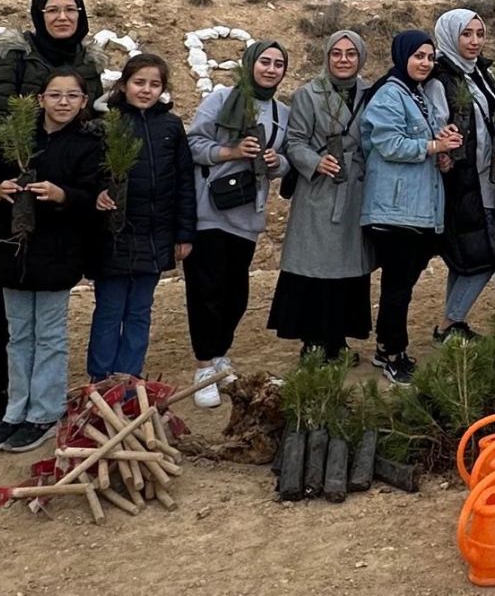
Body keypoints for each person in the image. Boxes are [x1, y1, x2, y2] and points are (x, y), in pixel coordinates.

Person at [0, 0, 105, 432]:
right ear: (38, 15)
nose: (62, 17)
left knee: (45, 316)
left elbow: (97, 123)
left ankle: (39, 405)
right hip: (12, 183)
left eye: (71, 9)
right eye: (53, 10)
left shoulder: (87, 64)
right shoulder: (15, 57)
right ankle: (0, 395)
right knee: (4, 304)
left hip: (64, 193)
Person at [185, 39, 292, 408]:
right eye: (265, 61)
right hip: (211, 211)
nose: (271, 69)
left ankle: (220, 355)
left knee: (235, 294)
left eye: (279, 64)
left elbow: (286, 163)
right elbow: (193, 144)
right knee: (206, 290)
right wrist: (230, 152)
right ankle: (204, 366)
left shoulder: (282, 112)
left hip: (249, 213)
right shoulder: (220, 99)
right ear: (250, 63)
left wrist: (276, 161)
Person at [360, 31, 461, 385]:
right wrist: (435, 145)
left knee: (403, 282)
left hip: (416, 207)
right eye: (418, 55)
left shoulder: (414, 94)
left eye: (430, 57)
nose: (425, 63)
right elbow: (388, 143)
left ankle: (389, 348)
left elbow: (424, 144)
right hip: (393, 207)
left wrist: (442, 152)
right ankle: (391, 351)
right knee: (397, 285)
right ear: (401, 56)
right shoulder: (389, 93)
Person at [88, 54, 196, 382]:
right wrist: (98, 193)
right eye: (139, 83)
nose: (146, 90)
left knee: (139, 311)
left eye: (154, 84)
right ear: (123, 84)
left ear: (163, 89)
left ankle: (128, 378)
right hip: (114, 235)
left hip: (156, 235)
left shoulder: (171, 126)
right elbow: (88, 173)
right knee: (109, 310)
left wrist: (184, 233)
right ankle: (101, 379)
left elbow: (184, 182)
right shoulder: (106, 123)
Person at [269, 31, 374, 362]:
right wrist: (316, 162)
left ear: (361, 57)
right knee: (315, 270)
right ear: (327, 57)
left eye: (351, 54)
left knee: (348, 271)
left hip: (356, 191)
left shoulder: (372, 93)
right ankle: (313, 342)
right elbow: (295, 141)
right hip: (319, 192)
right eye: (336, 54)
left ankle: (338, 340)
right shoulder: (307, 95)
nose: (343, 60)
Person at [430, 9, 495, 344]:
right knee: (484, 255)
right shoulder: (440, 76)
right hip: (461, 179)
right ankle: (449, 322)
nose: (474, 41)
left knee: (467, 256)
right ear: (449, 36)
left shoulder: (481, 73)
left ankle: (451, 325)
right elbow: (435, 124)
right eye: (466, 34)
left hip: (487, 177)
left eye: (479, 33)